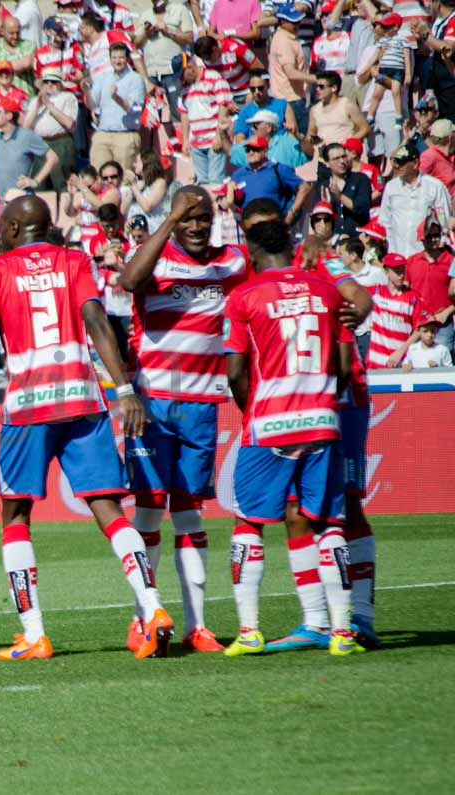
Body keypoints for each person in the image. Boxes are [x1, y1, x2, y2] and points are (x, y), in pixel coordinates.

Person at [0, 194, 175, 661]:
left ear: (10, 230)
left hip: (28, 407)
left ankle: (34, 633)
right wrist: (124, 390)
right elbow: (97, 322)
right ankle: (152, 607)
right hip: (83, 399)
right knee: (108, 509)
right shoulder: (74, 260)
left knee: (16, 515)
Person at [221, 216, 363, 658]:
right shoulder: (326, 291)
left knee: (248, 523)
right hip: (322, 419)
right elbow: (343, 365)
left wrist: (256, 412)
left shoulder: (244, 296)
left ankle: (249, 631)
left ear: (251, 250)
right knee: (330, 524)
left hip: (270, 424)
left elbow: (235, 372)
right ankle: (342, 633)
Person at [117, 186, 247, 653]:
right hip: (151, 405)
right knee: (149, 510)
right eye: (187, 217)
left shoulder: (229, 262)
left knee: (190, 512)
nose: (195, 226)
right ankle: (143, 618)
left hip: (200, 406)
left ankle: (197, 625)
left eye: (202, 218)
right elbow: (129, 281)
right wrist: (168, 222)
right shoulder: (154, 259)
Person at [381, 143, 453, 259]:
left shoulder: (434, 186)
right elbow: (385, 220)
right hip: (398, 254)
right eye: (395, 162)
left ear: (415, 163)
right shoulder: (391, 187)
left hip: (426, 254)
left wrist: (442, 240)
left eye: (401, 162)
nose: (397, 166)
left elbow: (444, 218)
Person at [229, 135, 312, 223]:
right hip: (250, 228)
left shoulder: (278, 169)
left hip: (274, 226)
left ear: (265, 151)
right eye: (248, 149)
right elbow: (228, 200)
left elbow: (305, 187)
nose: (250, 152)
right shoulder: (239, 174)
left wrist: (290, 215)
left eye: (255, 149)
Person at [88, 43, 145, 171]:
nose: (117, 61)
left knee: (125, 177)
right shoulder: (103, 77)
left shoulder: (136, 79)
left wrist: (116, 98)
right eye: (114, 58)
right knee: (98, 175)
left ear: (127, 59)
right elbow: (93, 103)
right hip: (103, 133)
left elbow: (135, 109)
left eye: (121, 58)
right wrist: (85, 90)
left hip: (125, 135)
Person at [178, 57, 232, 186]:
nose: (180, 78)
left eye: (182, 73)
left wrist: (219, 135)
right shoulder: (185, 87)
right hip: (195, 141)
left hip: (213, 139)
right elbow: (184, 114)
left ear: (191, 67)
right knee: (202, 183)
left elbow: (223, 105)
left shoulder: (213, 77)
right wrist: (185, 140)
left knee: (215, 180)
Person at [406, 215, 455, 354]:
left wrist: (447, 312)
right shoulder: (411, 261)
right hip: (417, 325)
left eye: (437, 235)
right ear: (421, 238)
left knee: (443, 368)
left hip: (441, 325)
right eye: (430, 236)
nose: (434, 239)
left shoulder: (451, 261)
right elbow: (406, 292)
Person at [367, 253, 425, 368]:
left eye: (403, 270)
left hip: (402, 362)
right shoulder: (376, 292)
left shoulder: (413, 297)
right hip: (375, 362)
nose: (401, 275)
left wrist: (401, 351)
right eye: (397, 271)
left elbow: (419, 329)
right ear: (386, 271)